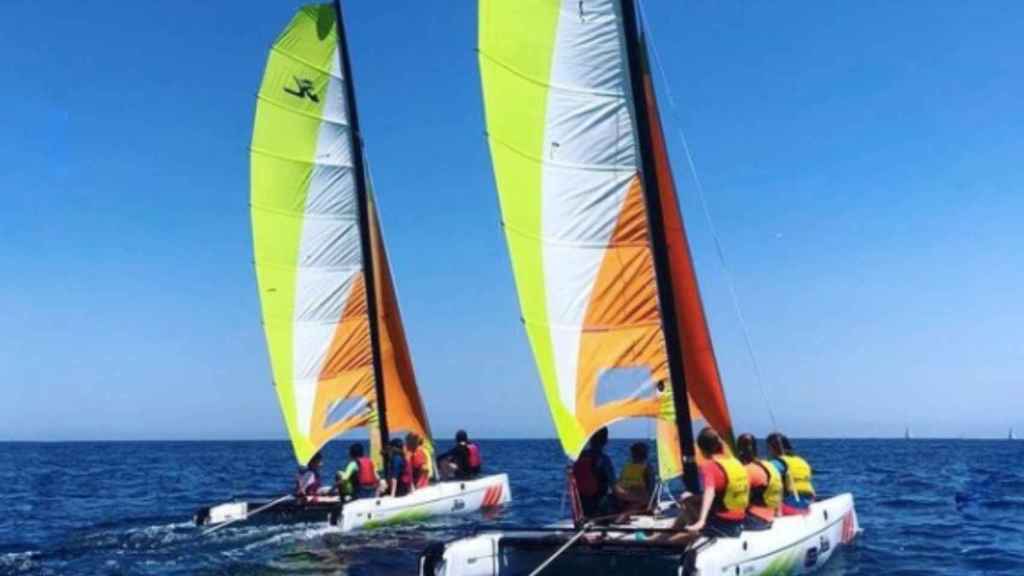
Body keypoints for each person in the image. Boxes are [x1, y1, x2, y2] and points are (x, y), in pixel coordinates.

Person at [670, 427, 749, 540]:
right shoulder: (735, 462)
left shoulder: (709, 466)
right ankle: (668, 532)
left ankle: (658, 541)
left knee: (687, 501)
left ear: (702, 450)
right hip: (740, 520)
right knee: (688, 499)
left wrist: (701, 521)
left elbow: (709, 492)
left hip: (722, 525)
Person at [736, 434, 783, 530]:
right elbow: (779, 491)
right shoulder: (770, 466)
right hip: (769, 517)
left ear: (739, 451)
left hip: (755, 520)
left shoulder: (746, 470)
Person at [767, 433, 816, 515]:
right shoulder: (802, 461)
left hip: (789, 507)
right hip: (807, 504)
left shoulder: (777, 463)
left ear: (772, 448)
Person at [572, 427, 616, 518]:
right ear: (605, 440)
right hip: (600, 509)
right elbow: (614, 487)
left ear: (590, 438)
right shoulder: (604, 460)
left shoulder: (580, 456)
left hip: (582, 508)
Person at [614, 442, 656, 513]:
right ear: (645, 455)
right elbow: (651, 488)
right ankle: (629, 511)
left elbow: (619, 481)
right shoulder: (647, 468)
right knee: (648, 497)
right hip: (635, 497)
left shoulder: (626, 466)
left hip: (622, 497)